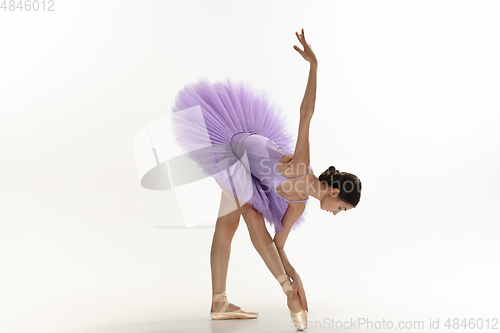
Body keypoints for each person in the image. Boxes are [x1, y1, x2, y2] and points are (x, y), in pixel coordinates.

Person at [170, 28, 362, 330]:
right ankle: (284, 294)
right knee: (249, 213)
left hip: (249, 170)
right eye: (341, 208)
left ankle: (219, 302)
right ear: (335, 192)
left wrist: (295, 273)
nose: (336, 214)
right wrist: (314, 66)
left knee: (227, 223)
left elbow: (279, 246)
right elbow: (306, 113)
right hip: (235, 149)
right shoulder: (301, 166)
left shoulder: (298, 206)